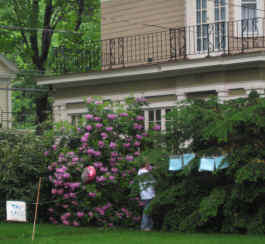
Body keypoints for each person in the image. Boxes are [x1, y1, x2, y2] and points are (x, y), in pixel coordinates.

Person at [137, 162, 155, 231]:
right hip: (149, 194)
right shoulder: (145, 172)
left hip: (144, 193)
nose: (150, 166)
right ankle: (144, 226)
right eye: (149, 164)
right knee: (147, 210)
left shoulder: (140, 171)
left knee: (148, 209)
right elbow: (153, 181)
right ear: (145, 164)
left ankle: (149, 226)